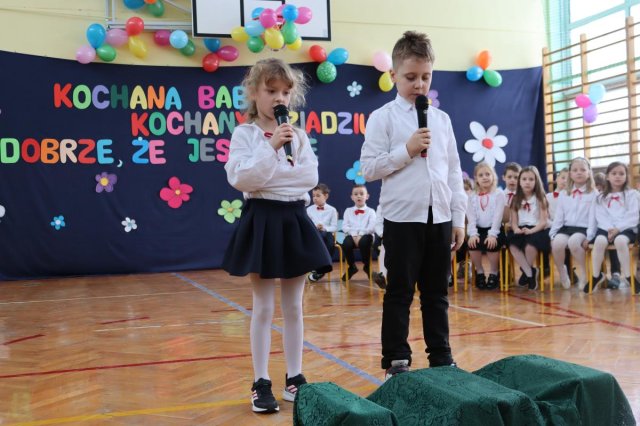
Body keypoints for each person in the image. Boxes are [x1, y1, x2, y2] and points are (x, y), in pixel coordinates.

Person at [222, 58, 332, 414]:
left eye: (285, 92)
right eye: (271, 91)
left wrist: (269, 175)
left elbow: (307, 179)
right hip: (262, 219)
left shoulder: (298, 136)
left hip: (293, 218)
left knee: (294, 306)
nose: (279, 98)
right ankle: (261, 381)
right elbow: (242, 179)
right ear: (254, 93)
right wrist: (270, 151)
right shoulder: (245, 135)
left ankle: (294, 377)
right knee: (264, 307)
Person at [360, 31, 466, 380]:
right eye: (410, 77)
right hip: (402, 217)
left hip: (440, 216)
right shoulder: (383, 118)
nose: (419, 84)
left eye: (425, 77)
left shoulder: (442, 120)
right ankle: (396, 360)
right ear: (393, 74)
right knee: (400, 292)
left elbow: (453, 171)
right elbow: (369, 168)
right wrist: (406, 150)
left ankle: (441, 356)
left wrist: (458, 217)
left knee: (436, 292)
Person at [583, 162, 639, 292]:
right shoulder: (600, 197)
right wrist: (609, 229)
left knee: (620, 241)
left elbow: (633, 215)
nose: (617, 176)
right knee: (599, 241)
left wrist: (618, 229)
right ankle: (596, 276)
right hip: (606, 228)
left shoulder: (632, 194)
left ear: (626, 176)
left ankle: (628, 276)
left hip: (626, 228)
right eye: (614, 173)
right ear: (607, 177)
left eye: (621, 173)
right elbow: (600, 216)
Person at [549, 157, 597, 290]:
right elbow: (559, 217)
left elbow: (593, 218)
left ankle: (585, 273)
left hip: (583, 229)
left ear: (589, 173)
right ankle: (562, 271)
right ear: (570, 174)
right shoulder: (564, 194)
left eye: (583, 170)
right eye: (575, 170)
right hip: (566, 228)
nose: (579, 172)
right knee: (557, 244)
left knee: (574, 242)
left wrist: (589, 237)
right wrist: (553, 234)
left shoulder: (593, 194)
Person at [508, 166, 551, 290]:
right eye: (524, 179)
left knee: (530, 246)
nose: (527, 182)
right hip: (521, 228)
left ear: (536, 181)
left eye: (531, 179)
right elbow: (514, 222)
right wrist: (516, 229)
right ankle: (530, 273)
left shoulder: (540, 199)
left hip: (537, 229)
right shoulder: (515, 199)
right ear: (519, 182)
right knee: (513, 245)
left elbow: (543, 222)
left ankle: (526, 272)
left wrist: (531, 230)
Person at [466, 162, 506, 290]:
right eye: (481, 175)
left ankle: (494, 272)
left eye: (488, 174)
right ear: (476, 179)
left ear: (493, 176)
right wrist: (473, 234)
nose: (485, 177)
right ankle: (480, 272)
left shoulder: (499, 194)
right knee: (473, 244)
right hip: (478, 229)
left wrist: (493, 235)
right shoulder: (471, 196)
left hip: (495, 229)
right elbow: (471, 217)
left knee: (491, 244)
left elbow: (498, 217)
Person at [341, 184, 377, 281]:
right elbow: (344, 227)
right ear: (352, 197)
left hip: (366, 235)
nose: (359, 196)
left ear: (367, 196)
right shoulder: (348, 211)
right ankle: (352, 266)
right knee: (346, 244)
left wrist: (360, 234)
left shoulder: (371, 211)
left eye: (361, 194)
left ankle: (367, 266)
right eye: (356, 194)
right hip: (351, 235)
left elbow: (372, 227)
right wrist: (354, 235)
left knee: (364, 242)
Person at [306, 183, 338, 282]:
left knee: (328, 238)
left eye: (318, 196)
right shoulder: (308, 210)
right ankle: (320, 268)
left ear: (326, 196)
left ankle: (321, 268)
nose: (315, 198)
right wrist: (315, 227)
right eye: (313, 196)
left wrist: (324, 228)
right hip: (313, 235)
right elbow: (306, 225)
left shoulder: (332, 210)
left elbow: (334, 227)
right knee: (318, 236)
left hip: (327, 234)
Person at [372, 204, 387, 289]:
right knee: (382, 246)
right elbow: (378, 223)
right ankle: (382, 275)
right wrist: (382, 234)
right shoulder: (381, 206)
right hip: (386, 234)